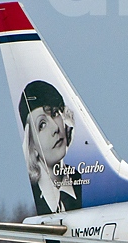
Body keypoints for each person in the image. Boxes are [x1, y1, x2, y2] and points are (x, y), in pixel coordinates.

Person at [19, 80, 83, 214]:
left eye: (55, 114)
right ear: (32, 144)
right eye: (42, 125)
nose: (55, 127)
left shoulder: (80, 180)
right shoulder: (36, 195)